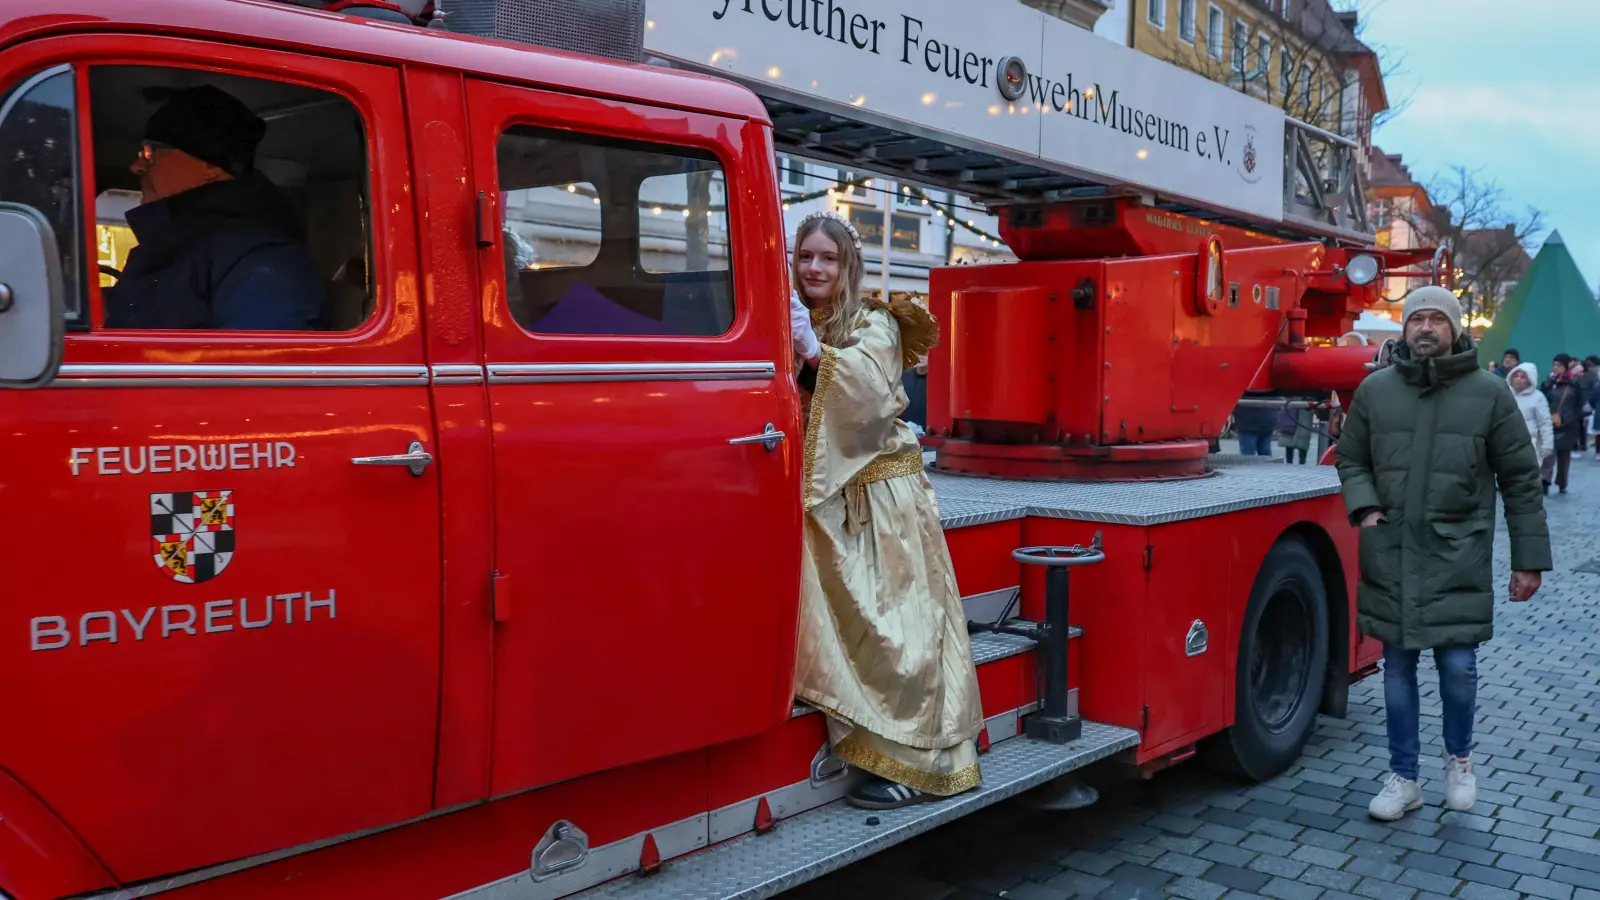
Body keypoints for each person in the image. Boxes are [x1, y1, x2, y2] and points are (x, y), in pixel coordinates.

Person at [787, 210, 983, 810]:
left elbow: (871, 395)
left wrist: (813, 351)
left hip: (877, 501)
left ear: (848, 267)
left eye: (828, 258)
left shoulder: (876, 322)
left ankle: (915, 765)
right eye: (805, 257)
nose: (815, 268)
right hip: (820, 498)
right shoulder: (784, 317)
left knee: (896, 633)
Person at [1335, 285, 1551, 821]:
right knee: (1396, 669)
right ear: (1405, 329)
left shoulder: (1491, 393)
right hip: (1393, 551)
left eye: (1436, 319)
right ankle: (1404, 777)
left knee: (1457, 666)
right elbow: (1351, 459)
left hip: (1459, 554)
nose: (1425, 328)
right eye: (1416, 320)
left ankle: (1459, 760)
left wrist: (1529, 560)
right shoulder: (1375, 391)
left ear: (1455, 329)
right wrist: (1366, 511)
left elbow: (1521, 479)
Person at [104, 84, 329, 330]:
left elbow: (258, 363)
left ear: (212, 165)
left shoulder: (261, 258)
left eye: (150, 151)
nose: (136, 166)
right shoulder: (169, 248)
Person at [1509, 363, 1556, 493]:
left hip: (1531, 442)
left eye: (1523, 377)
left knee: (1527, 474)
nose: (1518, 379)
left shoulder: (1538, 397)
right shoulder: (1506, 395)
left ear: (1530, 379)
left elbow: (1545, 422)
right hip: (1508, 441)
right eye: (1516, 376)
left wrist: (1547, 444)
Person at [1544, 354, 1586, 495]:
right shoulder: (1549, 382)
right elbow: (1544, 399)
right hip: (1550, 422)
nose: (1556, 367)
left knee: (1564, 455)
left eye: (1559, 365)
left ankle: (1562, 482)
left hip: (1569, 425)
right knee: (1549, 452)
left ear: (1566, 367)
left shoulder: (1574, 383)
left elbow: (1580, 405)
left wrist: (1570, 419)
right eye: (1554, 364)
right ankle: (1545, 480)